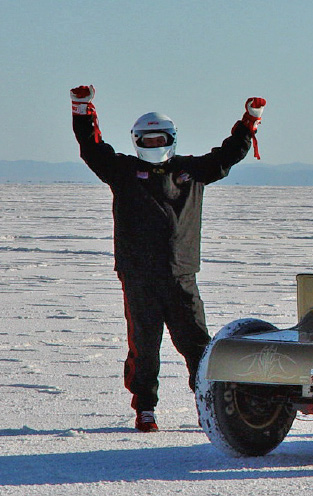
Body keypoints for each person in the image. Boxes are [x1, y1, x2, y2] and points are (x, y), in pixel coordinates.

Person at [70, 85, 266, 432]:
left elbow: (228, 154)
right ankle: (145, 408)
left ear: (170, 139)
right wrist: (82, 109)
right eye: (146, 141)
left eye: (158, 140)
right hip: (138, 277)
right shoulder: (124, 173)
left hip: (181, 276)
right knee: (144, 347)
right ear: (136, 142)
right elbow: (92, 149)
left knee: (198, 346)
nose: (153, 146)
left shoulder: (191, 172)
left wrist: (249, 120)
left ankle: (209, 405)